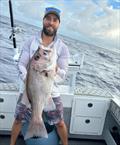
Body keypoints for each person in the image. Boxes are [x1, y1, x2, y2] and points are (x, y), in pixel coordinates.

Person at [10, 7, 70, 145]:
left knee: (60, 122)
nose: (51, 22)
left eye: (55, 20)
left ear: (58, 24)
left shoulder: (62, 48)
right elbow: (21, 64)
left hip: (51, 92)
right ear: (43, 20)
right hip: (28, 90)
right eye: (48, 19)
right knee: (18, 119)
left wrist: (55, 69)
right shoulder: (30, 41)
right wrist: (29, 80)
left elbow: (63, 75)